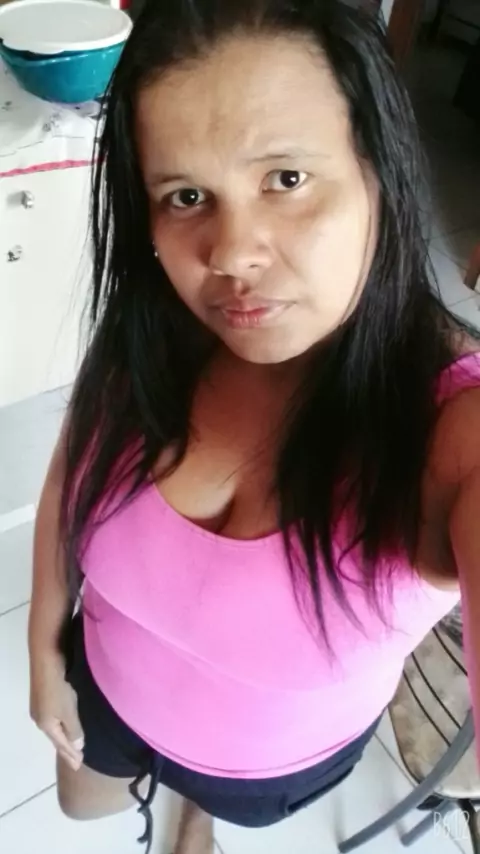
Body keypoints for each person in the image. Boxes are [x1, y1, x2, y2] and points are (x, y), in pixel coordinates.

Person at [28, 1, 480, 852]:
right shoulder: (157, 331)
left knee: (206, 812)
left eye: (287, 178)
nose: (231, 254)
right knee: (82, 808)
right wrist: (43, 651)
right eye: (187, 196)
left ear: (379, 171)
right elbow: (71, 476)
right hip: (108, 688)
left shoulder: (455, 434)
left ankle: (193, 813)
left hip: (264, 763)